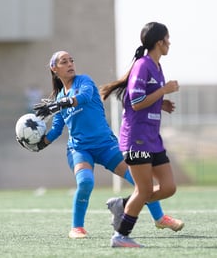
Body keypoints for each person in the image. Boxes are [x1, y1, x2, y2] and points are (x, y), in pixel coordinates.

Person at [30, 50, 183, 239]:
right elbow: (56, 129)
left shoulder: (84, 81)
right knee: (85, 182)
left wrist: (60, 104)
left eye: (71, 60)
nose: (70, 64)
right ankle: (77, 227)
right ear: (54, 69)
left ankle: (160, 218)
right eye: (64, 62)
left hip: (105, 145)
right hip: (80, 149)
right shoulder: (59, 97)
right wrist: (39, 145)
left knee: (141, 183)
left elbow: (85, 97)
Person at [100, 22, 181, 247]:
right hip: (136, 139)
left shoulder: (157, 66)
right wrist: (163, 91)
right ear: (159, 42)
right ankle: (121, 236)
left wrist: (161, 103)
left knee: (168, 187)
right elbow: (135, 102)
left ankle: (124, 204)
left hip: (152, 139)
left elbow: (145, 98)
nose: (169, 43)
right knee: (144, 190)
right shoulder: (143, 65)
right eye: (168, 38)